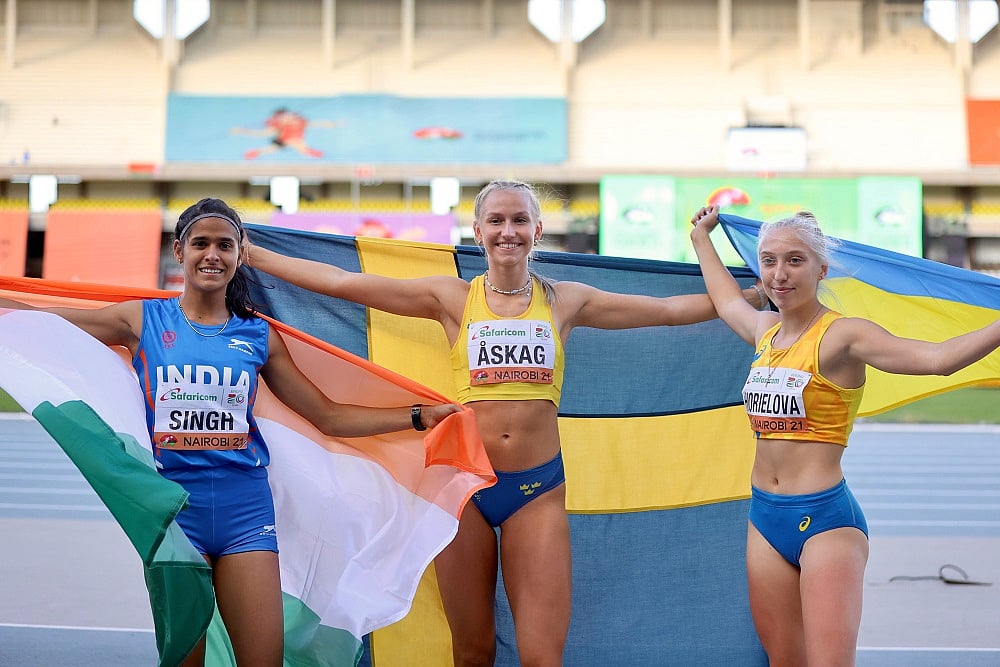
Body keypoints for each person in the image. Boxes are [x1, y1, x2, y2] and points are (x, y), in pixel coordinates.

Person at [248, 180, 766, 666]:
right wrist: (249, 253)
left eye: (520, 220)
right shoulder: (451, 298)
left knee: (542, 656)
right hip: (463, 484)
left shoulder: (566, 300)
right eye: (496, 220)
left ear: (537, 231)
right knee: (472, 653)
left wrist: (750, 296)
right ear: (478, 232)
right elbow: (344, 283)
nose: (508, 231)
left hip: (537, 491)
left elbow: (669, 310)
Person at [0, 197, 461, 667]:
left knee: (263, 660)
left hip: (246, 516)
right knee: (186, 660)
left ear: (241, 255)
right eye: (201, 243)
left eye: (225, 245)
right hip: (177, 515)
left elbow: (329, 416)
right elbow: (48, 321)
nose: (212, 254)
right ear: (179, 251)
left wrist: (418, 415)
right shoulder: (141, 320)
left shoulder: (258, 335)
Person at [689, 204, 1000, 667]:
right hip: (764, 517)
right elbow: (726, 300)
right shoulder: (765, 332)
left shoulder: (843, 336)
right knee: (783, 660)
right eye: (769, 260)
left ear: (821, 269)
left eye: (795, 260)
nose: (779, 274)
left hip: (825, 523)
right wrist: (701, 240)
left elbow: (937, 359)